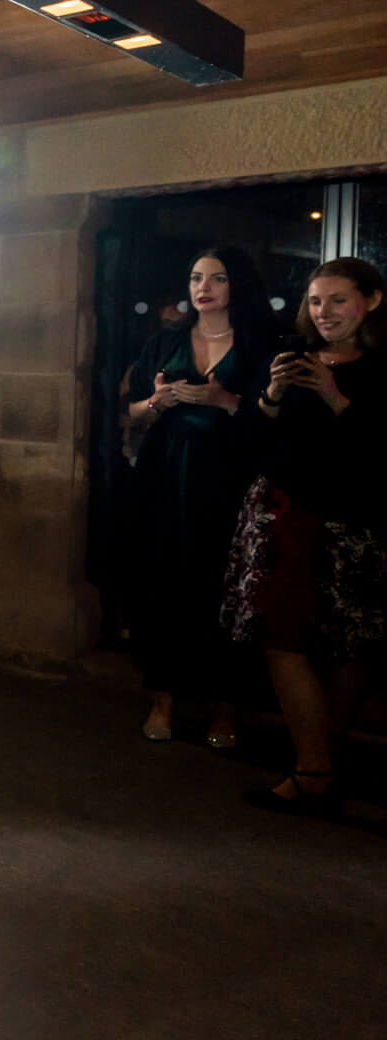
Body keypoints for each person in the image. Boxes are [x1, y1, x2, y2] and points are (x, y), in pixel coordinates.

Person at [224, 257, 387, 816]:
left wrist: (336, 398)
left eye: (338, 300)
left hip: (354, 523)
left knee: (350, 646)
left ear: (371, 301)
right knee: (283, 637)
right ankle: (315, 767)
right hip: (284, 515)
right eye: (316, 302)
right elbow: (248, 438)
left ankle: (319, 766)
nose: (324, 313)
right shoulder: (289, 358)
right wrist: (269, 394)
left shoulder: (379, 367)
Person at [122, 247, 274, 747]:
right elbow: (132, 411)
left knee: (222, 588)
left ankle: (226, 708)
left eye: (217, 278)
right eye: (194, 278)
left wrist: (224, 400)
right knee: (163, 580)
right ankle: (163, 699)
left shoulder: (258, 345)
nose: (202, 288)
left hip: (227, 478)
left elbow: (272, 422)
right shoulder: (165, 340)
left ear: (238, 286)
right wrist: (157, 402)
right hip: (166, 473)